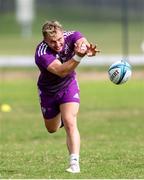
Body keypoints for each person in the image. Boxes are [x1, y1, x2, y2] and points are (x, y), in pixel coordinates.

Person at [35, 20, 100, 173]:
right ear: (45, 40)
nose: (57, 44)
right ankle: (61, 114)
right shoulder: (41, 53)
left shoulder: (72, 36)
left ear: (63, 34)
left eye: (59, 40)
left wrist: (86, 48)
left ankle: (74, 163)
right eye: (52, 42)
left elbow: (81, 41)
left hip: (68, 86)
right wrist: (78, 56)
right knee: (52, 129)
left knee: (70, 122)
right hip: (48, 91)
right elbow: (61, 71)